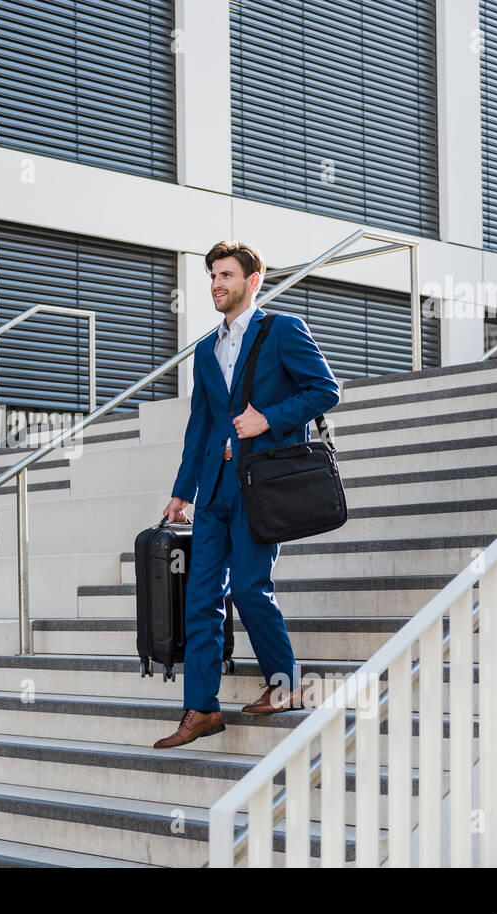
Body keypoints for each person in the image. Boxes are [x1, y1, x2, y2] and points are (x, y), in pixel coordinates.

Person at [153, 241, 340, 749]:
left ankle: (286, 684)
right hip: (214, 489)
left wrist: (268, 419)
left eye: (226, 275)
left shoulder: (282, 330)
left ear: (252, 281)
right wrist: (182, 492)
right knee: (201, 597)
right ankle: (201, 708)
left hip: (260, 486)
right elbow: (200, 425)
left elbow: (325, 390)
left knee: (251, 587)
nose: (217, 284)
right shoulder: (205, 350)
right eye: (213, 276)